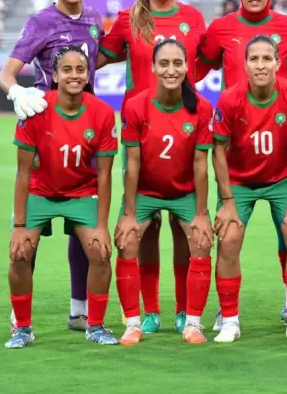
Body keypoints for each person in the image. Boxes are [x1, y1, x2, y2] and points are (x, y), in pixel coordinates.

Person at [198, 0, 287, 329]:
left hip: (279, 156)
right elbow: (198, 70)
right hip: (236, 155)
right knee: (230, 235)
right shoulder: (221, 28)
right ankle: (227, 310)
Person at [98, 0, 207, 334]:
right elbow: (97, 56)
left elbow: (203, 61)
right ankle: (150, 311)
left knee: (183, 227)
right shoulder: (131, 20)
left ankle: (182, 309)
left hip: (182, 128)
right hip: (139, 129)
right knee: (144, 227)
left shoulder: (193, 19)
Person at [0, 0, 104, 332]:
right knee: (30, 229)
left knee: (83, 226)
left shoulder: (93, 20)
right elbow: (6, 74)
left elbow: (93, 63)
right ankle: (19, 316)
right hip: (45, 135)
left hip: (85, 134)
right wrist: (18, 94)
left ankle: (79, 310)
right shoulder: (41, 22)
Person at [6, 46, 119, 348]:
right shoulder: (36, 109)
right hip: (39, 192)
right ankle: (22, 327)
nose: (74, 75)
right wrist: (18, 226)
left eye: (80, 69)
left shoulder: (103, 113)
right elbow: (22, 173)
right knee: (19, 252)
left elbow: (105, 176)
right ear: (54, 76)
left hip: (82, 193)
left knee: (100, 251)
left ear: (87, 75)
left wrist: (102, 226)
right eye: (66, 70)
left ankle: (95, 326)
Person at [211, 35, 287, 343]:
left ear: (278, 63)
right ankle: (229, 320)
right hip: (240, 182)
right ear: (244, 64)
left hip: (281, 180)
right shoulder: (230, 99)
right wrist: (227, 200)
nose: (260, 65)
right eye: (253, 59)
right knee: (228, 237)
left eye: (266, 59)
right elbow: (218, 151)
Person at [114, 39, 215, 345]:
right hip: (145, 192)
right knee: (127, 240)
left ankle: (192, 323)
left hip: (184, 193)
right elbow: (132, 164)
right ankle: (136, 322)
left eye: (178, 63)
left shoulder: (201, 108)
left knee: (201, 240)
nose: (171, 70)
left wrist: (200, 214)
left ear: (187, 68)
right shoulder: (135, 106)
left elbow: (200, 165)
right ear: (153, 68)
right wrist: (129, 214)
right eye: (165, 64)